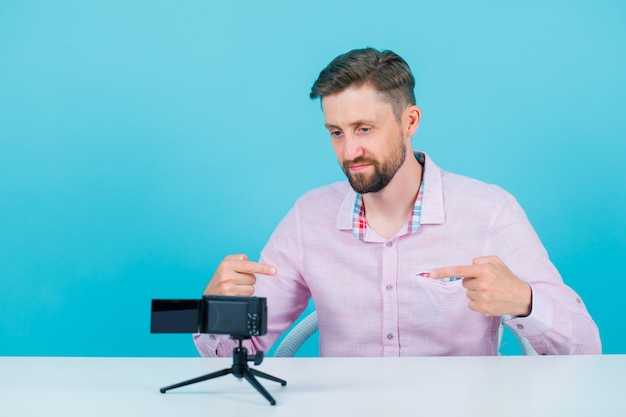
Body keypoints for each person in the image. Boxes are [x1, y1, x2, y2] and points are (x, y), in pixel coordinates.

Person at [194, 47, 601, 357]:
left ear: (410, 122)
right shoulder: (308, 217)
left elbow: (586, 349)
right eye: (336, 132)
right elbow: (239, 352)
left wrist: (526, 303)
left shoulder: (489, 212)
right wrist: (215, 311)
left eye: (364, 128)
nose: (349, 150)